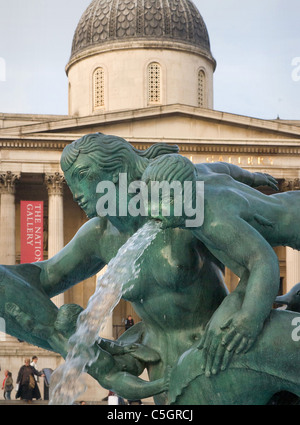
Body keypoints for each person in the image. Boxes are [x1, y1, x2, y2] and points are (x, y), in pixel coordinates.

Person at [0, 133, 300, 405]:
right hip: (165, 375)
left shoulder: (182, 204)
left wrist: (251, 177)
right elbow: (40, 278)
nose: (74, 190)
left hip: (225, 351)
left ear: (115, 172)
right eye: (69, 178)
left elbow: (258, 253)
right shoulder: (98, 236)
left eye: (82, 175)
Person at [141, 152, 300, 375]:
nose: (150, 212)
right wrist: (252, 178)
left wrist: (249, 320)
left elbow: (264, 260)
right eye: (148, 200)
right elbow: (226, 168)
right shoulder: (200, 175)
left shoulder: (213, 219)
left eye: (160, 202)